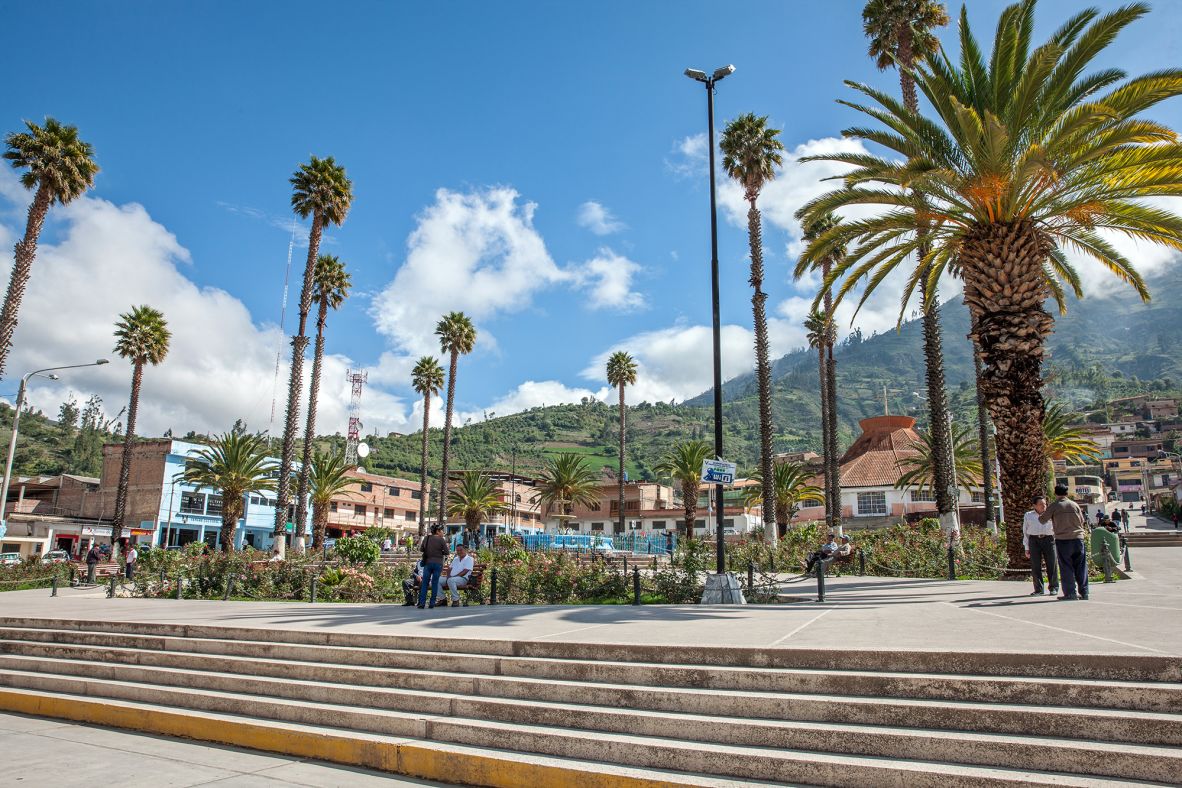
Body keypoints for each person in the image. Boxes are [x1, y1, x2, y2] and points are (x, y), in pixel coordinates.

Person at [1038, 483, 1089, 601]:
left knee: (1066, 566)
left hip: (1063, 540)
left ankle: (1070, 593)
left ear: (1055, 493)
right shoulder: (1074, 505)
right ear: (1066, 493)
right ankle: (1084, 592)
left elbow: (1042, 520)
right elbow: (1082, 520)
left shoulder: (1054, 506)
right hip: (1078, 538)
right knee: (1081, 566)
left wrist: (1043, 511)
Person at [1022, 496, 1058, 596]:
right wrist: (1027, 547)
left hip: (1049, 539)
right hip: (1034, 540)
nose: (1044, 506)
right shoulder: (1028, 515)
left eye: (1045, 504)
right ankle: (1038, 589)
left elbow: (1056, 527)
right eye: (1041, 504)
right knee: (1035, 565)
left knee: (1052, 564)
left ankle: (1053, 587)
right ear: (1034, 505)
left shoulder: (1051, 514)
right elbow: (1025, 532)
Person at [417, 524, 449, 609]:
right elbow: (446, 552)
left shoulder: (427, 538)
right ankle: (432, 603)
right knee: (435, 583)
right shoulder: (441, 540)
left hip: (428, 563)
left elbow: (421, 549)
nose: (443, 532)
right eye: (442, 530)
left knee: (425, 583)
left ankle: (422, 603)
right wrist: (439, 552)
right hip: (438, 564)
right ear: (438, 531)